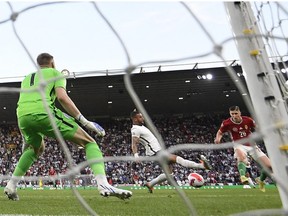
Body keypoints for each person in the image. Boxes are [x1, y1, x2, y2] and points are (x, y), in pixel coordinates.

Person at [4, 53, 132, 200]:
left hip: (22, 116)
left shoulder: (27, 78)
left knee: (36, 148)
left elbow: (25, 104)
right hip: (43, 112)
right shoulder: (55, 73)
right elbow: (62, 97)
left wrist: (24, 138)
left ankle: (11, 185)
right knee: (90, 142)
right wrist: (84, 121)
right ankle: (103, 183)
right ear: (52, 62)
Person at [130, 109, 211, 193]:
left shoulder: (141, 127)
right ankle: (202, 166)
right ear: (135, 119)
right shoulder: (135, 129)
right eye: (140, 117)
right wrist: (136, 155)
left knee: (169, 174)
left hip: (158, 151)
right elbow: (134, 143)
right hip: (155, 153)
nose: (142, 118)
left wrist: (135, 111)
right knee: (178, 159)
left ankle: (150, 184)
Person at [214, 105, 272, 192]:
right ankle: (242, 176)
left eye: (236, 113)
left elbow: (257, 128)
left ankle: (260, 180)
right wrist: (218, 138)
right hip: (239, 145)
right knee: (241, 157)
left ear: (240, 112)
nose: (234, 115)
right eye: (232, 114)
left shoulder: (248, 120)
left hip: (252, 145)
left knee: (269, 166)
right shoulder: (227, 123)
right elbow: (220, 132)